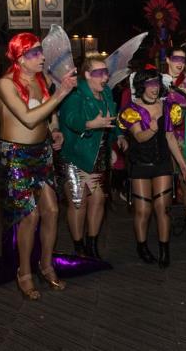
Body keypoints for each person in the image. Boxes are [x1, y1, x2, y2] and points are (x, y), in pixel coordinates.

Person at [0, 33, 111, 295]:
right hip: (16, 155)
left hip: (42, 152)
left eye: (41, 52)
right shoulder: (5, 84)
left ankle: (46, 264)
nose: (42, 57)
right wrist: (61, 92)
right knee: (30, 215)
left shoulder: (39, 80)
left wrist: (54, 130)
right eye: (35, 53)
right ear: (20, 58)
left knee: (52, 211)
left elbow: (46, 116)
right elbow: (28, 119)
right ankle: (24, 271)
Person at [117, 66, 186, 268]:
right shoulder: (131, 110)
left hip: (162, 164)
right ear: (141, 86)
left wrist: (183, 165)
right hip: (140, 163)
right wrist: (152, 127)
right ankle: (141, 246)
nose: (154, 88)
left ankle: (164, 250)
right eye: (150, 84)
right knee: (143, 211)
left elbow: (170, 138)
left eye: (156, 83)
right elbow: (139, 137)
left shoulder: (167, 107)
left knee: (163, 208)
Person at [59, 55, 129, 259]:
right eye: (99, 73)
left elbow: (111, 119)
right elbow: (70, 119)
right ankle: (78, 245)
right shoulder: (76, 94)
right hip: (76, 154)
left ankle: (92, 243)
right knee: (78, 201)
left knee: (98, 199)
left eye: (106, 72)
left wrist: (120, 135)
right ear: (87, 75)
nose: (105, 77)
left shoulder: (106, 93)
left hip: (98, 155)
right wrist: (90, 124)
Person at [163, 47, 186, 234]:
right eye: (176, 58)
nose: (180, 63)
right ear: (168, 59)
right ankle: (167, 220)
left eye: (183, 60)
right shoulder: (159, 81)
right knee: (167, 180)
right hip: (165, 136)